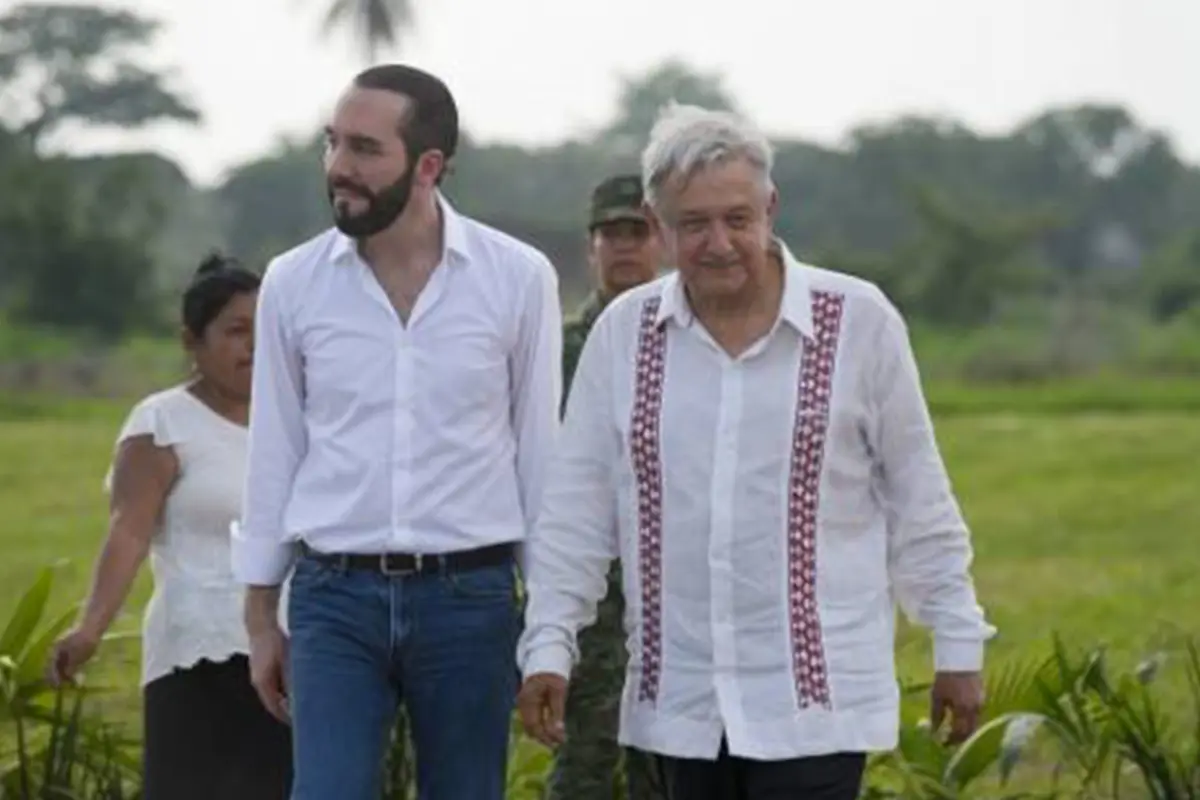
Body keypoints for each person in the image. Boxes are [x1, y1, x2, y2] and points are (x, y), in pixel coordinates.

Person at [516, 103, 996, 800]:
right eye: (694, 224)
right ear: (659, 227)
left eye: (737, 219)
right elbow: (576, 513)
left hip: (815, 701)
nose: (718, 243)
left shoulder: (858, 322)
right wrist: (549, 646)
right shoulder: (624, 335)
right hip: (681, 703)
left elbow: (919, 497)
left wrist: (957, 643)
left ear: (770, 207)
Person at [231, 63, 561, 800]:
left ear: (429, 165)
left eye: (365, 149)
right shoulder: (293, 280)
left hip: (469, 597)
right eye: (332, 143)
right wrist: (259, 616)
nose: (339, 168)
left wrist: (549, 630)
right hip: (331, 597)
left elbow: (540, 459)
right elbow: (275, 449)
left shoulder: (518, 278)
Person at [46, 254, 292, 800]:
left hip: (292, 652)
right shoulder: (161, 423)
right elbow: (128, 531)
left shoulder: (298, 421)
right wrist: (89, 629)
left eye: (265, 330)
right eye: (236, 332)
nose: (254, 347)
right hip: (198, 652)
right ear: (191, 340)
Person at [546, 173, 665, 800]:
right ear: (591, 247)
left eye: (637, 232)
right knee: (583, 760)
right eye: (609, 234)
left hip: (678, 588)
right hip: (591, 594)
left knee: (670, 761)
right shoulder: (556, 351)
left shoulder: (693, 342)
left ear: (662, 240)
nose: (624, 247)